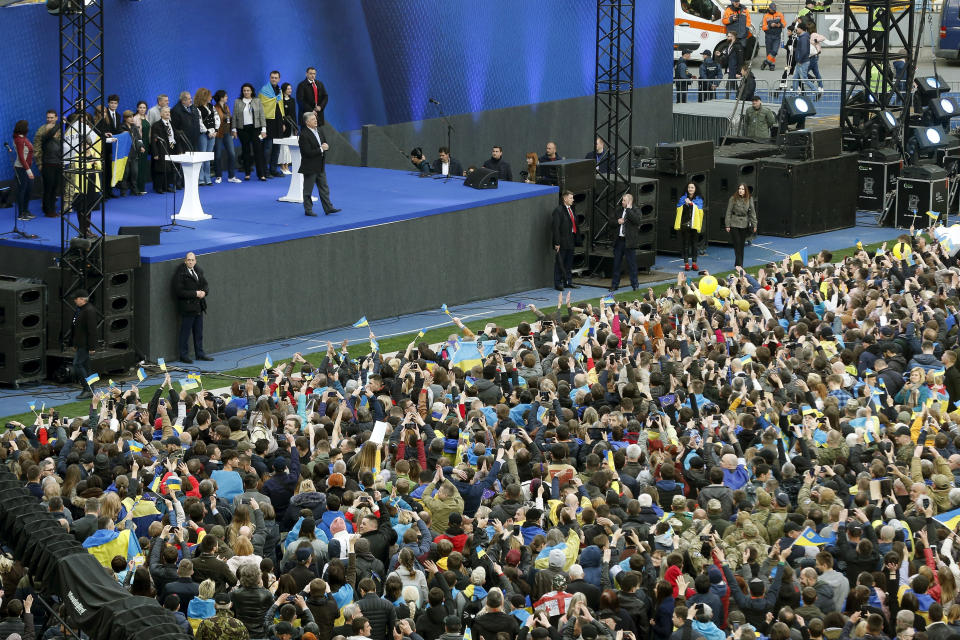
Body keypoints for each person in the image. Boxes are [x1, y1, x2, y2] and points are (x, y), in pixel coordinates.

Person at [172, 251, 211, 364]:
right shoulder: (180, 274)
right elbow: (179, 292)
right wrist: (195, 293)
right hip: (188, 308)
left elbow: (205, 285)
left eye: (192, 260)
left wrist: (204, 292)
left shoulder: (198, 271)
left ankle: (200, 353)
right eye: (189, 260)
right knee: (185, 333)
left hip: (199, 307)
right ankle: (183, 355)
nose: (191, 262)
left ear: (195, 261)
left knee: (198, 333)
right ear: (185, 261)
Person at [299, 112, 340, 217]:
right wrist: (321, 149)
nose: (316, 120)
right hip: (310, 166)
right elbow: (307, 152)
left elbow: (324, 143)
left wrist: (326, 146)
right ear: (307, 122)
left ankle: (328, 208)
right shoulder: (303, 135)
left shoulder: (320, 130)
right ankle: (308, 210)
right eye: (313, 119)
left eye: (315, 118)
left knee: (324, 188)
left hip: (320, 165)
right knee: (308, 190)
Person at [233, 83, 268, 181]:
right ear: (242, 92)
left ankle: (261, 174)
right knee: (245, 151)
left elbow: (262, 115)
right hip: (242, 129)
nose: (246, 92)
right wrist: (234, 129)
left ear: (251, 91)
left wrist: (264, 130)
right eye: (244, 90)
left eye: (248, 90)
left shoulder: (257, 101)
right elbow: (235, 116)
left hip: (255, 128)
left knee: (258, 151)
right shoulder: (237, 101)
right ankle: (247, 173)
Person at [609, 192, 642, 292]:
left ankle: (635, 284)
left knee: (632, 265)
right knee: (616, 264)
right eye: (622, 200)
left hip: (630, 242)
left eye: (624, 200)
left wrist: (628, 209)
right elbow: (610, 222)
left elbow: (637, 220)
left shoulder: (636, 210)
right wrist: (617, 222)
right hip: (619, 241)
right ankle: (614, 285)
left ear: (629, 201)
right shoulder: (618, 210)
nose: (622, 202)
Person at [33, 109, 62, 218]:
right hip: (47, 163)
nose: (49, 119)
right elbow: (37, 148)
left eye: (51, 117)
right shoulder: (42, 130)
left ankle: (52, 208)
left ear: (56, 118)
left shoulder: (61, 130)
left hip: (58, 163)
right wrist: (39, 163)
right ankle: (47, 210)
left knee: (55, 187)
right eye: (48, 117)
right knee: (48, 188)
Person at [71, 288, 98, 399]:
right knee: (86, 366)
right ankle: (91, 388)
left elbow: (92, 330)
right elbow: (75, 327)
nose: (74, 300)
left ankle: (87, 389)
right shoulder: (80, 309)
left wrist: (92, 346)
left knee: (77, 364)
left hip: (85, 344)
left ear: (82, 299)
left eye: (76, 299)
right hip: (80, 343)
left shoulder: (89, 311)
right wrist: (74, 343)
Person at [552, 190, 580, 292]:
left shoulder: (571, 209)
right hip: (562, 241)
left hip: (571, 239)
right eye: (571, 198)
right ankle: (558, 283)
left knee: (569, 262)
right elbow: (555, 228)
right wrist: (557, 243)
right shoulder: (558, 211)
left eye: (572, 198)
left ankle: (568, 282)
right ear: (565, 199)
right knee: (560, 262)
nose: (573, 200)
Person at [260, 70, 285, 178]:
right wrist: (262, 126)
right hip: (268, 121)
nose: (274, 79)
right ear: (269, 78)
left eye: (276, 78)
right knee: (267, 149)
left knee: (277, 148)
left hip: (278, 122)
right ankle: (265, 171)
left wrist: (283, 122)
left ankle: (273, 169)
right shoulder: (264, 90)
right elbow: (261, 107)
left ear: (279, 79)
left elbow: (281, 106)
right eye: (272, 77)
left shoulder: (280, 91)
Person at [724, 183, 757, 268]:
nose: (740, 190)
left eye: (742, 189)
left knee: (741, 244)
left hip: (744, 224)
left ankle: (738, 263)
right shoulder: (733, 198)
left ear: (745, 190)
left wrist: (754, 224)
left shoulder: (749, 199)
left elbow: (752, 213)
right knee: (737, 243)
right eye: (739, 188)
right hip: (734, 223)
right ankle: (739, 264)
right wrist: (727, 225)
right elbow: (728, 212)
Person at [149, 107, 180, 194]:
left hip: (172, 148)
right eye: (165, 112)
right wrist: (155, 153)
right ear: (161, 114)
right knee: (161, 168)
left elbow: (175, 136)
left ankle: (167, 186)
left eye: (168, 112)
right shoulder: (156, 125)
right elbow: (153, 140)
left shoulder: (171, 124)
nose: (167, 113)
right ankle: (159, 187)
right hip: (162, 148)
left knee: (170, 168)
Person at [212, 90, 240, 184]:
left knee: (232, 154)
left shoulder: (227, 107)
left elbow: (230, 120)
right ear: (221, 97)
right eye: (225, 96)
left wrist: (233, 131)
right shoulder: (214, 108)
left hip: (228, 133)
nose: (227, 97)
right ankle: (218, 176)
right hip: (219, 134)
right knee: (218, 155)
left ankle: (231, 176)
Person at [674, 181, 703, 271]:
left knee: (694, 244)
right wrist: (685, 204)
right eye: (689, 187)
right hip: (684, 224)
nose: (690, 189)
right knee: (685, 244)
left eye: (692, 188)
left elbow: (699, 211)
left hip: (694, 224)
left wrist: (691, 204)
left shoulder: (699, 199)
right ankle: (686, 263)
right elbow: (678, 209)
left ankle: (694, 263)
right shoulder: (683, 198)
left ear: (695, 189)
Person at [118, 110, 146, 197]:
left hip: (134, 153)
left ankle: (134, 189)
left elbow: (139, 138)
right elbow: (120, 140)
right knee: (125, 173)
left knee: (134, 172)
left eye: (132, 117)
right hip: (125, 153)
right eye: (129, 117)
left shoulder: (134, 127)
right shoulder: (121, 127)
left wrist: (141, 146)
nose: (131, 118)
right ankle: (123, 191)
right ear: (125, 118)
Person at [12, 120, 35, 221]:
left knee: (28, 190)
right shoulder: (19, 140)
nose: (28, 128)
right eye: (27, 126)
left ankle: (25, 210)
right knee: (22, 190)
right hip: (21, 169)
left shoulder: (23, 138)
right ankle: (21, 214)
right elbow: (21, 157)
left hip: (26, 167)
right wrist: (28, 171)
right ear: (24, 128)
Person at [194, 87, 218, 187]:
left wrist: (216, 130)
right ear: (204, 97)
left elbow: (217, 119)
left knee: (208, 157)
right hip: (203, 134)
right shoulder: (197, 108)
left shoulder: (212, 106)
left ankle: (208, 178)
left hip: (213, 133)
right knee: (201, 156)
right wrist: (207, 131)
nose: (211, 98)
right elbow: (199, 122)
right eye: (209, 96)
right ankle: (200, 179)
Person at [133, 101, 151, 195]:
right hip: (139, 144)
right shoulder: (135, 119)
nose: (142, 109)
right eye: (140, 107)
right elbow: (135, 135)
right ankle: (138, 188)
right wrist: (140, 145)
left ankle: (142, 186)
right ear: (137, 109)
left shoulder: (147, 117)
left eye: (144, 108)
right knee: (139, 166)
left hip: (147, 143)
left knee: (144, 166)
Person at [792, 21, 816, 95]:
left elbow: (804, 51)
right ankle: (795, 93)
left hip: (802, 61)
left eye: (797, 28)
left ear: (801, 29)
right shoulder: (803, 37)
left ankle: (815, 90)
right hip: (801, 61)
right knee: (795, 78)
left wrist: (799, 60)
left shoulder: (803, 38)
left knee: (804, 79)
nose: (796, 30)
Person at [760, 3, 786, 71]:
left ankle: (765, 62)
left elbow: (784, 24)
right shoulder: (766, 16)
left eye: (774, 9)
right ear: (769, 8)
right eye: (772, 9)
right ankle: (772, 65)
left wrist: (779, 25)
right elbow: (763, 27)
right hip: (768, 36)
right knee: (769, 52)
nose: (774, 10)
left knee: (774, 51)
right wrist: (770, 25)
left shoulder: (780, 14)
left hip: (777, 36)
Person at [278, 82, 296, 174]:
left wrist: (295, 127)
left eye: (291, 88)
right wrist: (282, 124)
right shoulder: (280, 100)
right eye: (288, 89)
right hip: (283, 126)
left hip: (291, 126)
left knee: (289, 147)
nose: (290, 90)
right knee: (283, 147)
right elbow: (280, 114)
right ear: (284, 90)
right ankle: (282, 166)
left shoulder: (292, 100)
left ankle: (287, 166)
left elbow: (293, 114)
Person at [808, 21, 826, 97]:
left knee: (804, 72)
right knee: (816, 72)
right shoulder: (810, 35)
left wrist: (814, 41)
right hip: (814, 56)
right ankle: (820, 87)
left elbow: (823, 38)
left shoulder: (813, 34)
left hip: (813, 55)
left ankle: (815, 87)